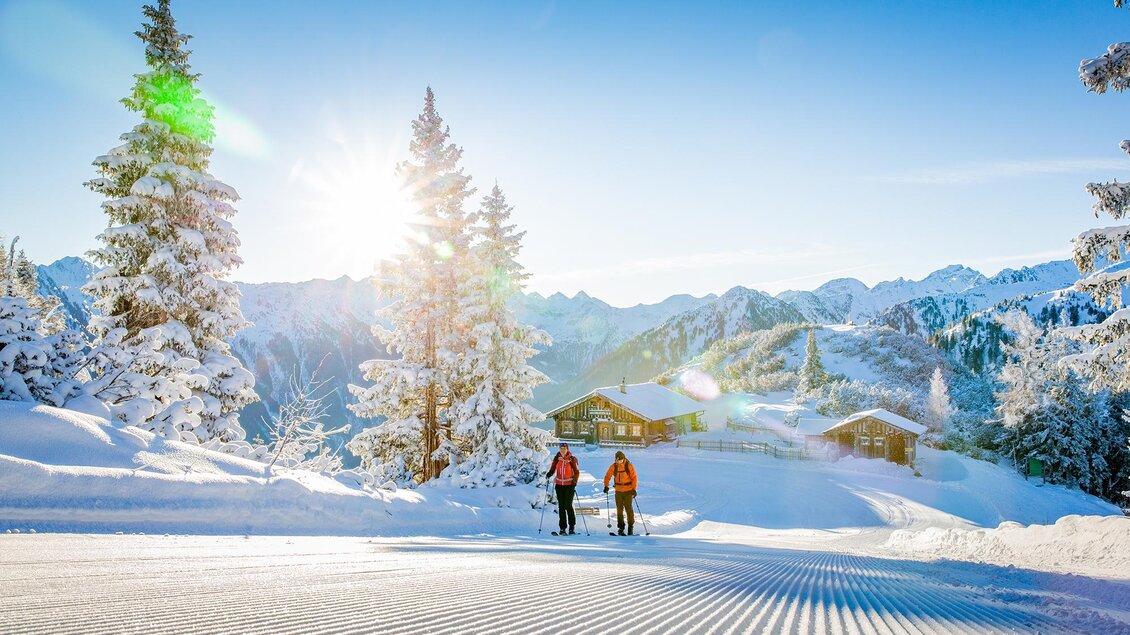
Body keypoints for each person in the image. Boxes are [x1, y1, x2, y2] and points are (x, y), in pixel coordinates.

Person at [546, 442, 579, 535]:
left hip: (569, 485)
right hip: (559, 485)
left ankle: (571, 527)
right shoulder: (557, 458)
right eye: (561, 448)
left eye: (564, 448)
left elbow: (577, 472)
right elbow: (553, 469)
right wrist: (549, 474)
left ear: (567, 449)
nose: (562, 450)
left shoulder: (572, 459)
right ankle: (562, 528)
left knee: (568, 506)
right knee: (561, 507)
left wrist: (575, 481)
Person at [603, 451, 637, 535]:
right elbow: (607, 476)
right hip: (618, 491)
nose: (618, 462)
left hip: (628, 491)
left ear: (623, 459)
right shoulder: (614, 466)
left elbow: (634, 478)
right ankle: (621, 528)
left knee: (628, 509)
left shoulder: (628, 465)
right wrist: (606, 486)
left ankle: (630, 527)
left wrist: (634, 489)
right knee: (619, 510)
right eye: (616, 460)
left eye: (619, 460)